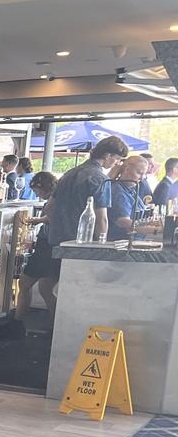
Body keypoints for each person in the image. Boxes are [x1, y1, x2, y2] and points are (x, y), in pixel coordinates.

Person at [46, 136, 127, 274]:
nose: (117, 163)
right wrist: (101, 247)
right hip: (82, 244)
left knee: (53, 283)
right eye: (117, 158)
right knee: (80, 288)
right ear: (108, 155)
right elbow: (101, 218)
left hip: (57, 240)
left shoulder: (69, 173)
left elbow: (49, 207)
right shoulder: (100, 179)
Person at [15, 171, 59, 323]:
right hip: (53, 245)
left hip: (46, 246)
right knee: (46, 288)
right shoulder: (62, 197)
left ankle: (18, 321)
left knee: (25, 283)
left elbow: (52, 215)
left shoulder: (55, 199)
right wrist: (40, 220)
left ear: (44, 187)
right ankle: (54, 326)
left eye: (37, 191)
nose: (37, 195)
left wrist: (41, 220)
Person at [105, 155, 161, 241]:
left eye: (144, 174)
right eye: (139, 173)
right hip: (121, 244)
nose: (141, 178)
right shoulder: (118, 191)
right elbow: (123, 221)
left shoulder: (131, 189)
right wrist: (154, 230)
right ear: (127, 170)